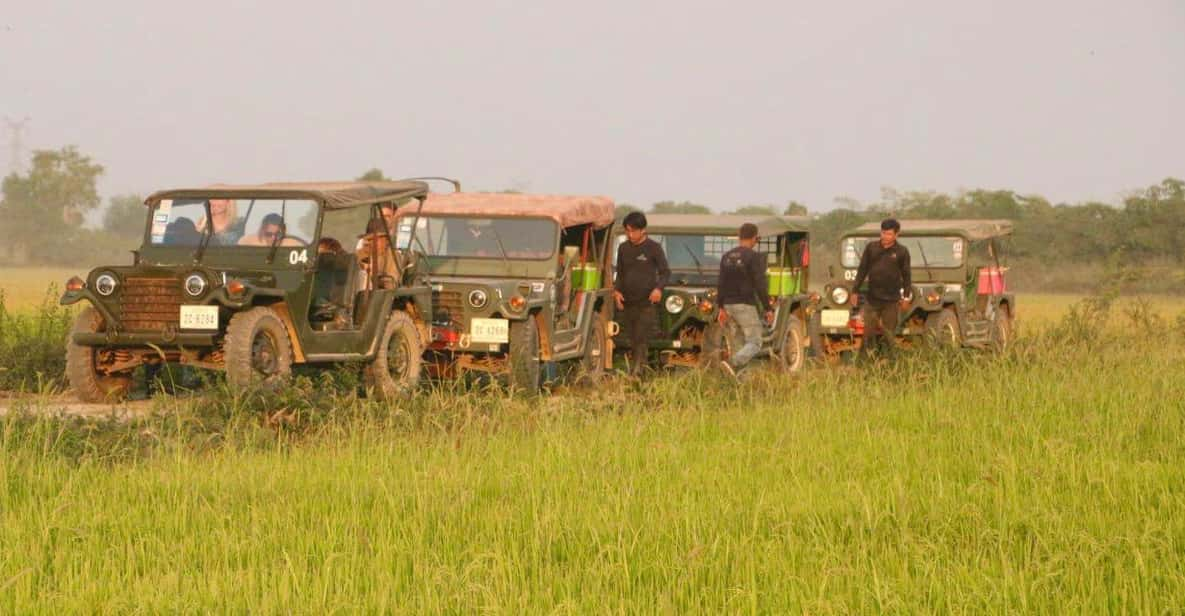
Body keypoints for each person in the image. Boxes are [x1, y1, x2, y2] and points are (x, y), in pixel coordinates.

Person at [613, 212, 669, 376]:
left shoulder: (654, 248)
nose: (630, 235)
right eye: (627, 231)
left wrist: (658, 289)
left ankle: (637, 373)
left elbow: (665, 272)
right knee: (631, 339)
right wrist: (616, 292)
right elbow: (620, 273)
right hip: (627, 302)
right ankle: (637, 370)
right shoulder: (623, 248)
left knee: (641, 337)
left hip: (647, 303)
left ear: (643, 230)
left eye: (633, 231)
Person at [850, 218, 912, 357]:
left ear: (897, 235)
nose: (885, 237)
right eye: (883, 233)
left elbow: (907, 276)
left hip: (891, 300)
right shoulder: (872, 248)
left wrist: (906, 297)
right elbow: (862, 270)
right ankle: (863, 364)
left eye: (889, 234)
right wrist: (854, 291)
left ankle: (889, 363)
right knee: (868, 333)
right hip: (872, 299)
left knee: (888, 334)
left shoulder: (902, 251)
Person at [717, 222, 772, 376]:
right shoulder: (753, 257)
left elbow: (720, 283)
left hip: (728, 305)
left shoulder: (726, 257)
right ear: (754, 238)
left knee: (739, 345)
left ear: (739, 237)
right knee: (755, 343)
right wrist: (767, 308)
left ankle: (739, 383)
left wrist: (720, 307)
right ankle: (731, 363)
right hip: (745, 305)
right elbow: (760, 284)